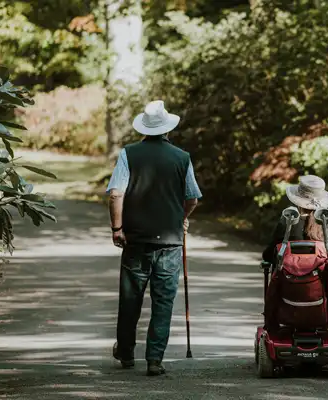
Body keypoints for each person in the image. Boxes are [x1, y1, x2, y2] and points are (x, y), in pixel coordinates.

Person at [106, 100, 202, 377]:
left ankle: (125, 353)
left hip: (136, 240)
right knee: (163, 302)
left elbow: (116, 193)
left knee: (130, 299)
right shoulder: (182, 157)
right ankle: (154, 360)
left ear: (143, 129)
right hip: (170, 242)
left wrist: (117, 228)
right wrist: (180, 217)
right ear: (168, 128)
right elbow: (192, 198)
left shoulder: (129, 154)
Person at [262, 175, 328, 264]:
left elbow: (268, 255)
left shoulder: (287, 222)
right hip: (322, 276)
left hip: (290, 276)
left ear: (298, 199)